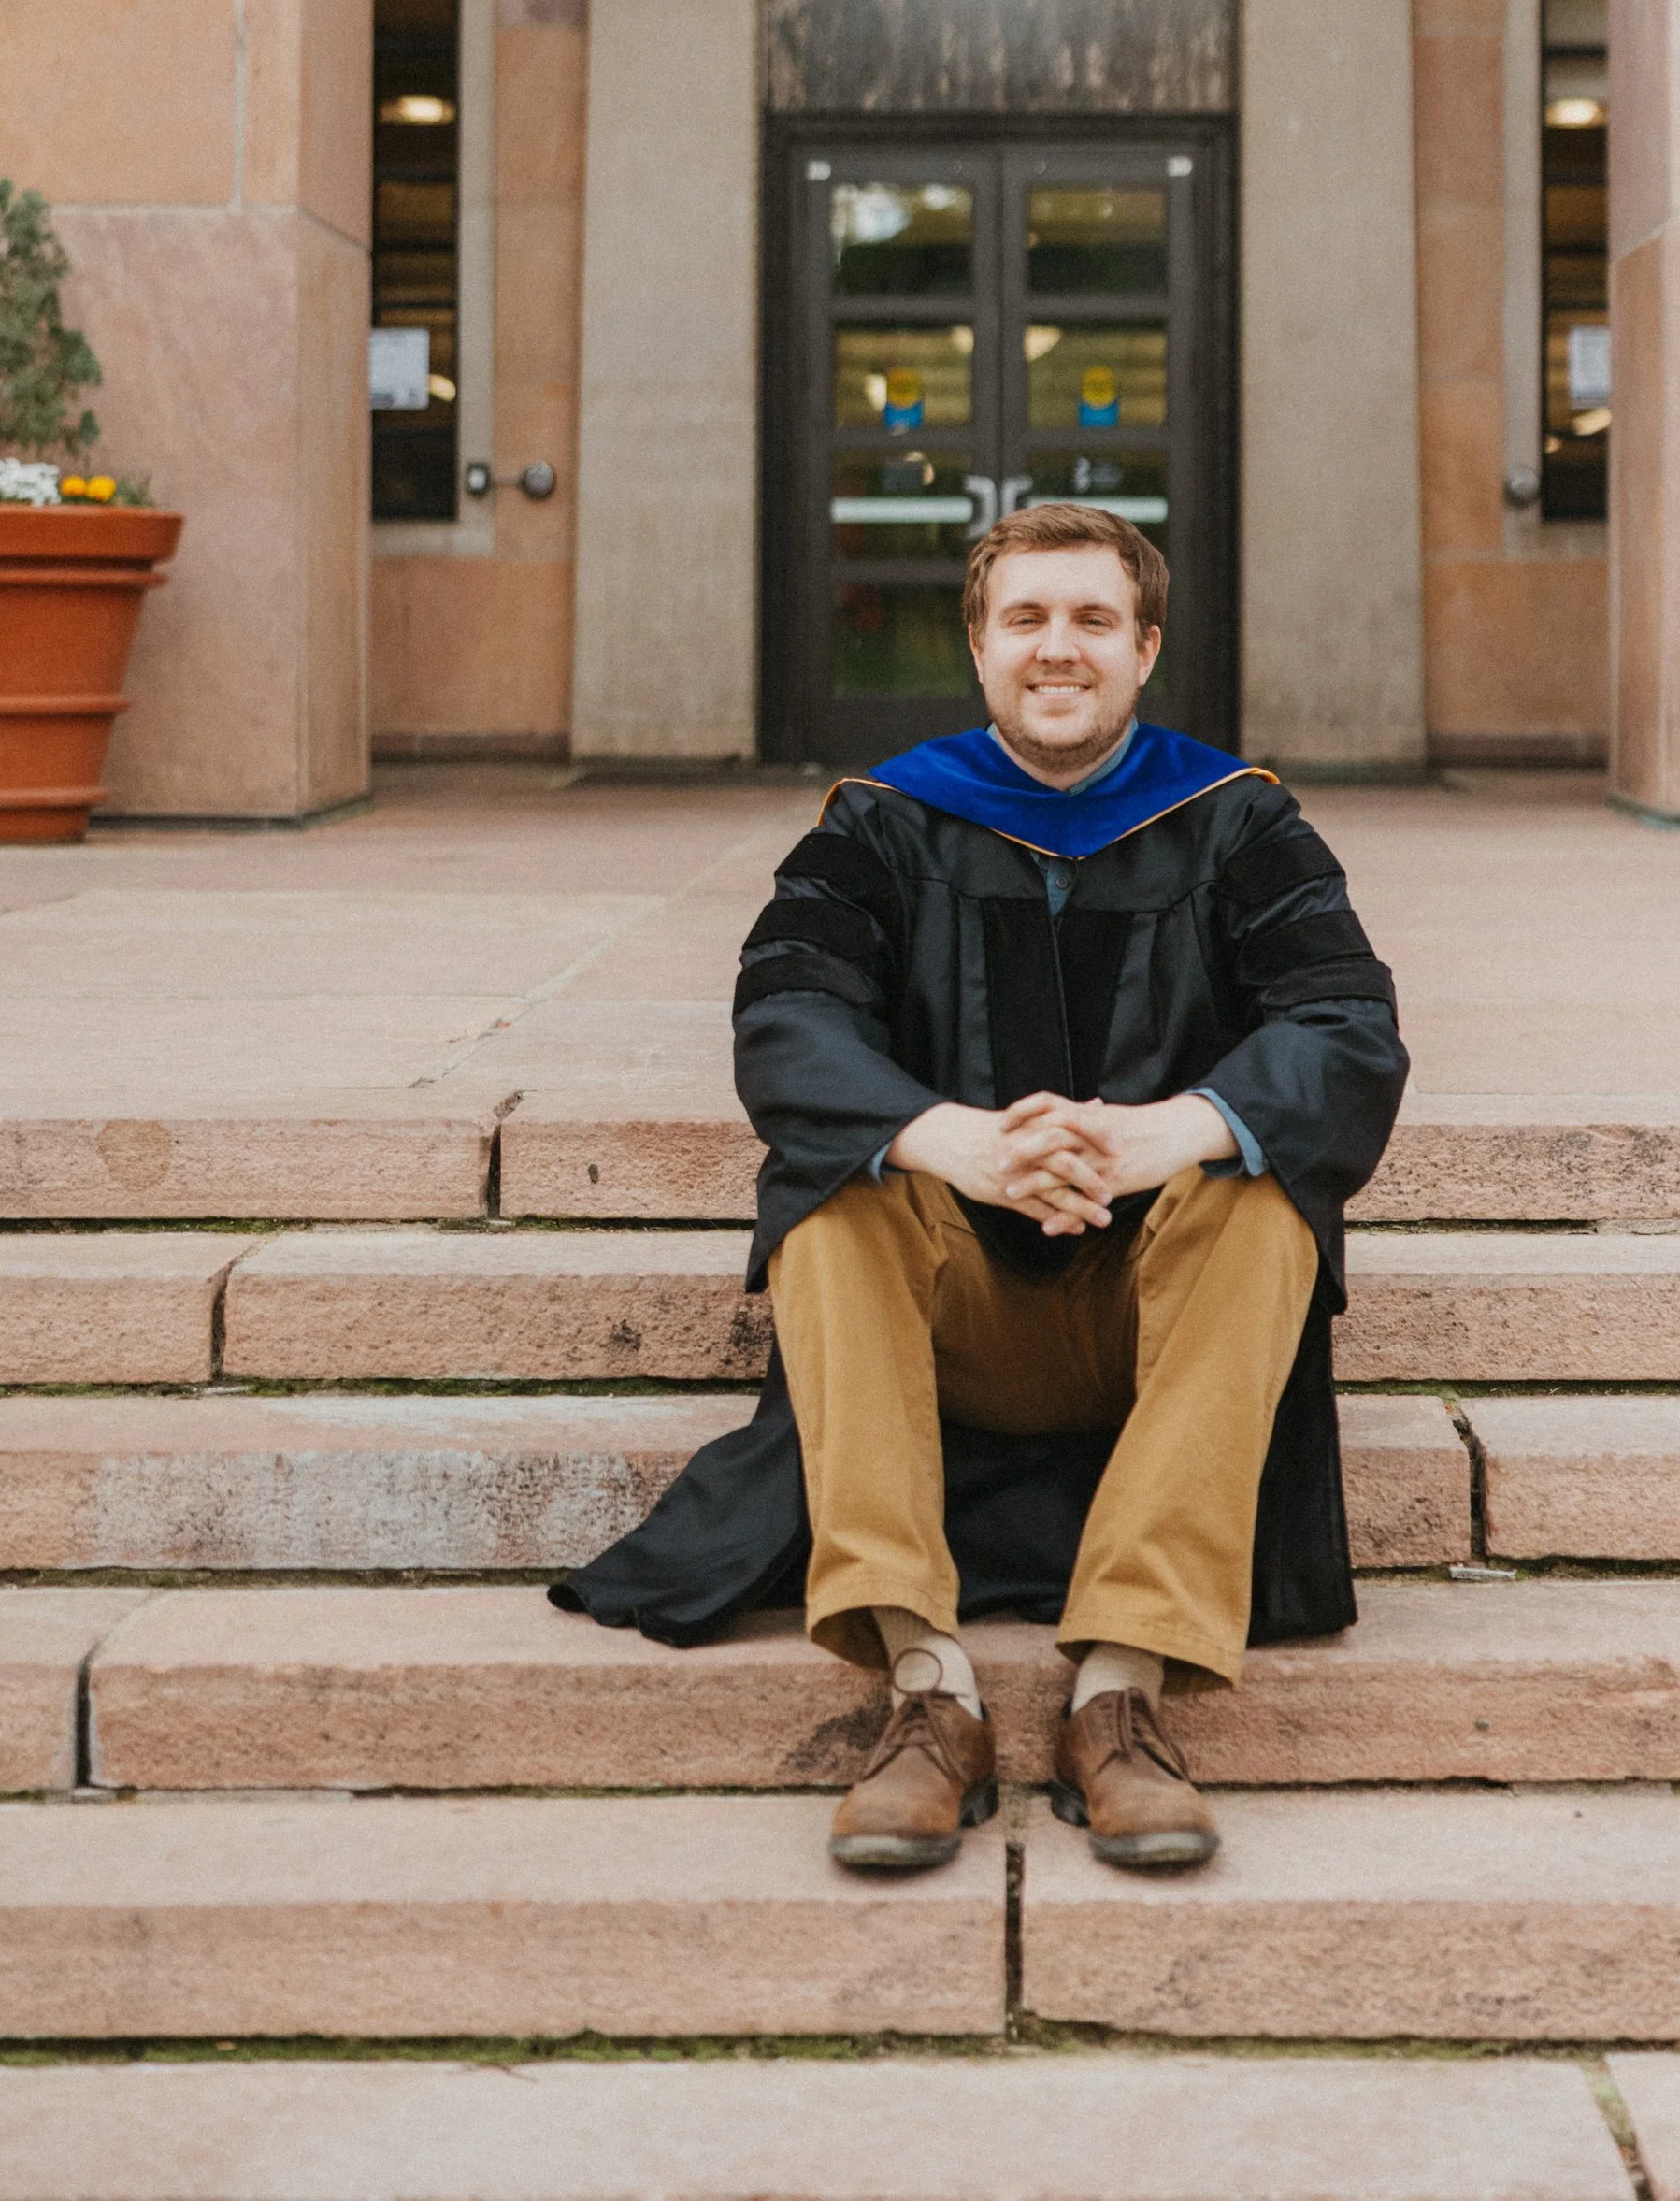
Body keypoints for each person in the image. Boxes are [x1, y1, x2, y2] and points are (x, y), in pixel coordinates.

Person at [551, 500, 1406, 1877]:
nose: (1056, 648)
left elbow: (1349, 1028)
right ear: (977, 643)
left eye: (1089, 620)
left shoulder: (1240, 820)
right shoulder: (883, 823)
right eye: (1026, 618)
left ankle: (1120, 1689)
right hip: (955, 1325)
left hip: (1154, 1318)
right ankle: (926, 1690)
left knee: (1263, 1190)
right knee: (831, 1185)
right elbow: (785, 1019)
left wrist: (1157, 1136)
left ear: (1145, 648)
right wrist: (949, 1138)